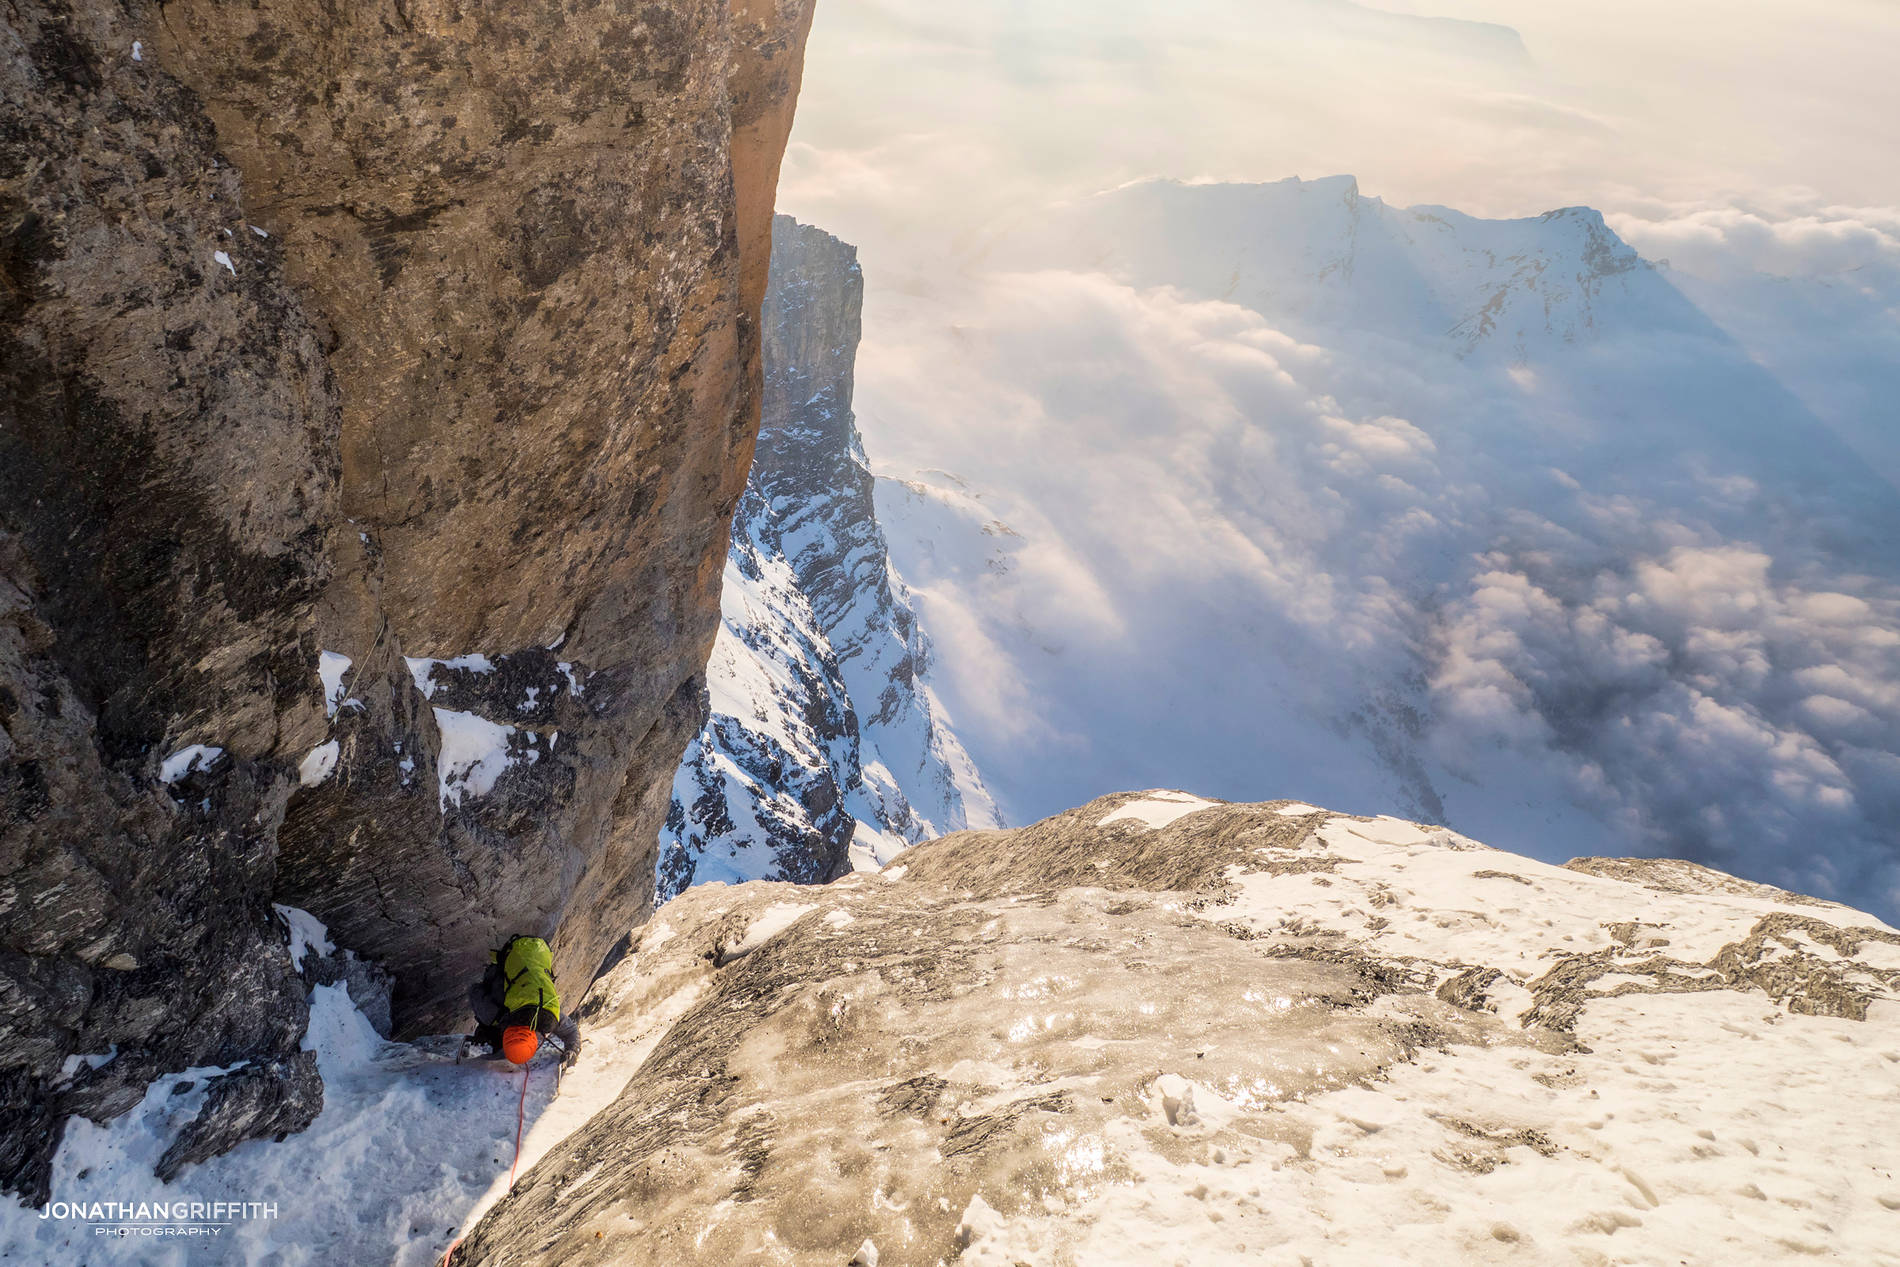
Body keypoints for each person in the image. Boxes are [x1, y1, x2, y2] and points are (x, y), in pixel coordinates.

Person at [464, 934, 580, 1066]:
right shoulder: (492, 1014)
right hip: (512, 967)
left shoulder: (547, 1017)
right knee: (489, 1023)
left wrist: (573, 1050)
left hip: (521, 966)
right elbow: (475, 990)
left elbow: (571, 1031)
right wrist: (572, 1050)